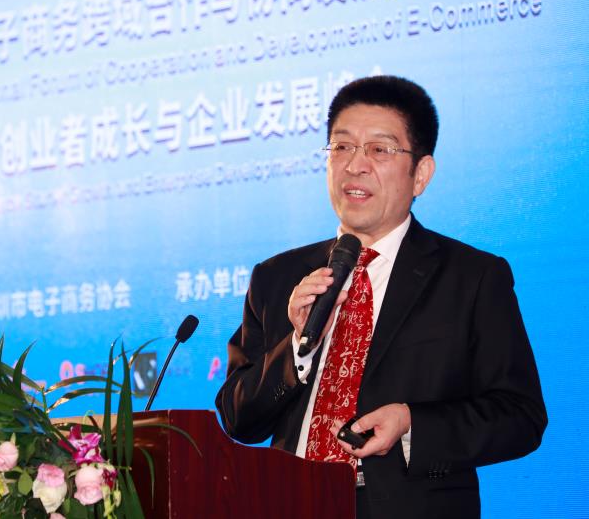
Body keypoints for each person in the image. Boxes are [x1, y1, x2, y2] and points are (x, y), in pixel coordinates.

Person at [215, 75, 547, 519]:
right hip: (287, 503)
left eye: (380, 149)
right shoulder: (277, 277)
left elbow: (520, 416)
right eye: (342, 147)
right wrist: (296, 348)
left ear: (421, 174)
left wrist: (411, 424)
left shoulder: (472, 277)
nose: (355, 165)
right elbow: (237, 419)